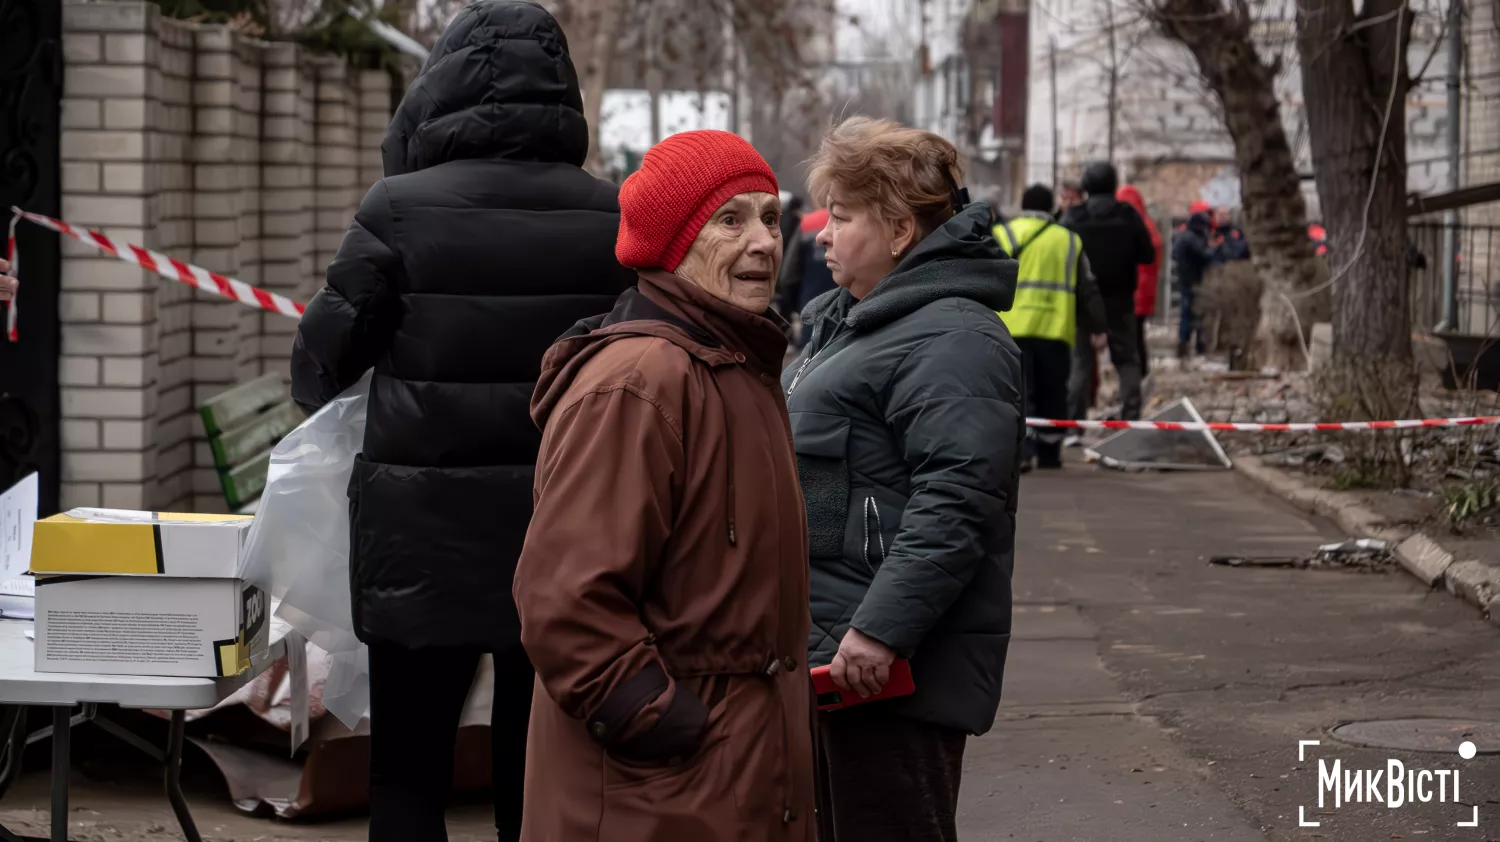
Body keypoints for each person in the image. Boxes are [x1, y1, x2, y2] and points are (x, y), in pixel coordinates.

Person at [288, 3, 635, 840]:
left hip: (420, 537)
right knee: (540, 765)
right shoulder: (611, 214)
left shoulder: (398, 209)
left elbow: (319, 363)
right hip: (564, 535)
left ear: (438, 85)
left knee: (408, 767)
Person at [514, 130, 814, 842]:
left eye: (771, 218)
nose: (764, 243)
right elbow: (566, 599)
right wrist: (658, 718)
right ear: (673, 242)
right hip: (658, 791)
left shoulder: (737, 363)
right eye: (730, 220)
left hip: (731, 775)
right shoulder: (642, 381)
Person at [786, 116, 1021, 842]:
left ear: (898, 231)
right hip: (837, 649)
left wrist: (879, 632)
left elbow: (956, 500)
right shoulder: (856, 321)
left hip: (884, 667)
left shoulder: (953, 336)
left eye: (844, 217)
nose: (822, 234)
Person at [994, 184, 1106, 470]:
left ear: (1022, 204)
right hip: (1055, 329)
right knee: (1052, 392)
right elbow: (1087, 287)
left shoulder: (1003, 234)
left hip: (1011, 328)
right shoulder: (1068, 240)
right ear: (1049, 207)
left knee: (1018, 394)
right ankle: (1049, 454)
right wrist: (1097, 326)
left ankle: (1021, 453)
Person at [1061, 162, 1155, 420]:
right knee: (1127, 360)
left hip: (1082, 301)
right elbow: (1147, 254)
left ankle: (1073, 422)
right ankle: (1131, 416)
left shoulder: (1074, 217)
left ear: (1087, 186)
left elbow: (1062, 253)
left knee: (1080, 361)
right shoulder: (1128, 215)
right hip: (1120, 300)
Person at [1116, 185, 1162, 376]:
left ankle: (1137, 376)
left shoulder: (1130, 227)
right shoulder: (1148, 226)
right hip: (1143, 292)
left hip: (1133, 293)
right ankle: (1139, 375)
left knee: (1131, 341)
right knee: (1135, 338)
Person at [774, 206, 836, 347]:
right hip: (850, 309)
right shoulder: (858, 219)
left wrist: (792, 304)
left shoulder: (808, 223)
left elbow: (789, 274)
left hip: (811, 308)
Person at [1173, 211, 1218, 357]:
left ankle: (1184, 342)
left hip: (1186, 279)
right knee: (1196, 313)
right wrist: (1215, 248)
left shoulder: (1183, 236)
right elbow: (1204, 255)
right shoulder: (1192, 239)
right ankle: (1196, 344)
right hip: (1193, 280)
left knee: (1187, 313)